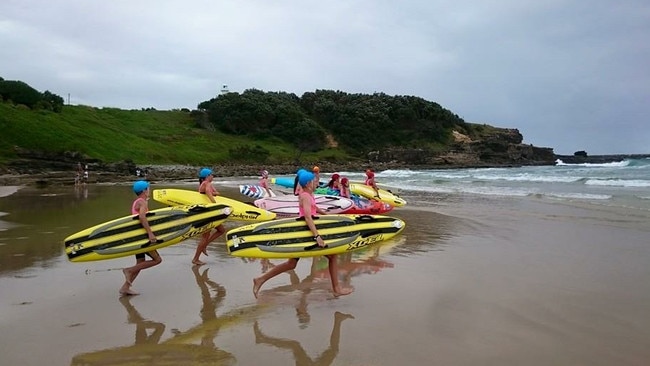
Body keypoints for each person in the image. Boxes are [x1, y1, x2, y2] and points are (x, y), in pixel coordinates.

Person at [253, 170, 354, 298]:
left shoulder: (309, 194)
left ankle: (260, 279)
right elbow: (307, 217)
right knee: (332, 257)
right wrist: (317, 236)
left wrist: (326, 215)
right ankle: (337, 288)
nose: (316, 182)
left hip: (306, 231)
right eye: (314, 180)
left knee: (291, 264)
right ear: (308, 183)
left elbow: (314, 208)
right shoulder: (305, 196)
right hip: (306, 232)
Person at [120, 180, 162, 296]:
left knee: (141, 262)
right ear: (144, 190)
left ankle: (125, 287)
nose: (150, 190)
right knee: (157, 260)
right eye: (148, 188)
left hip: (137, 237)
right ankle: (129, 270)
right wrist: (150, 233)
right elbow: (142, 218)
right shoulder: (142, 202)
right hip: (143, 238)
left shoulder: (137, 202)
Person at [193, 168, 226, 265]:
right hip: (207, 212)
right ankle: (195, 258)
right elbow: (208, 192)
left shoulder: (204, 183)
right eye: (212, 175)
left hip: (208, 212)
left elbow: (216, 193)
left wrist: (214, 193)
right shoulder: (207, 183)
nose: (213, 176)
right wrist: (215, 205)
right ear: (207, 176)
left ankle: (204, 246)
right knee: (205, 236)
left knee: (221, 230)